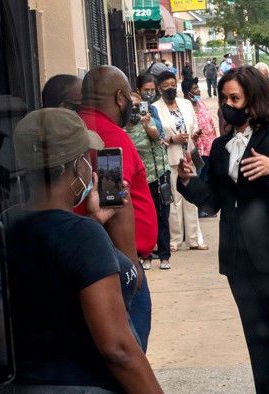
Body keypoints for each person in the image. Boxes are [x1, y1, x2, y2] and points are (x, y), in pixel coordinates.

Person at [0, 108, 162, 393]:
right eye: (86, 157)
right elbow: (118, 350)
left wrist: (95, 221)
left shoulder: (4, 223)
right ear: (74, 167)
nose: (90, 164)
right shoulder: (82, 235)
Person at [176, 66, 269, 393]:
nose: (226, 105)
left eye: (234, 98)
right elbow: (214, 203)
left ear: (252, 100)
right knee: (258, 343)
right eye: (224, 98)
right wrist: (188, 182)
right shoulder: (222, 147)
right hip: (239, 259)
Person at [76, 65, 158, 352]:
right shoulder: (109, 136)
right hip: (115, 267)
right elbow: (117, 204)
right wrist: (131, 267)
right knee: (128, 352)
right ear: (121, 98)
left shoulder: (78, 128)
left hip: (93, 259)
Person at [151, 71, 208, 253]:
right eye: (166, 85)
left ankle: (194, 238)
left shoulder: (185, 104)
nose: (170, 88)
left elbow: (192, 127)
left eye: (173, 84)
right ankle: (174, 239)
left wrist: (194, 135)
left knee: (191, 198)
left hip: (188, 156)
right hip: (170, 158)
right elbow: (155, 135)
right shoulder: (155, 108)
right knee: (173, 199)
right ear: (159, 88)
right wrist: (172, 138)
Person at [126, 91, 172, 271]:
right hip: (136, 180)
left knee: (161, 217)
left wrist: (146, 125)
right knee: (141, 219)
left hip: (156, 176)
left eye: (137, 105)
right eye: (130, 105)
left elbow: (155, 135)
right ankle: (145, 256)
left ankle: (164, 255)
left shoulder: (149, 121)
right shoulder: (121, 126)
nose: (134, 109)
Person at [182, 77, 218, 217]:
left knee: (207, 177)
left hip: (209, 147)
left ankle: (204, 207)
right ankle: (199, 209)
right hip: (197, 150)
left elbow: (210, 123)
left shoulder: (201, 104)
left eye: (197, 88)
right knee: (199, 178)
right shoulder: (185, 107)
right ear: (187, 92)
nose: (198, 91)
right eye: (194, 89)